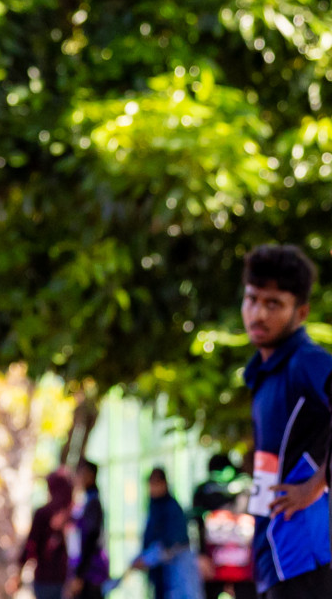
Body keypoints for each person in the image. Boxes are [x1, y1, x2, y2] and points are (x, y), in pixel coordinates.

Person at [240, 244, 332, 599]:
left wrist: (315, 486)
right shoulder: (264, 372)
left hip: (306, 557)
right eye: (252, 299)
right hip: (272, 556)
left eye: (273, 303)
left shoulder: (306, 361)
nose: (258, 313)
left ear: (301, 311)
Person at [193, 454, 255, 598]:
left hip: (245, 570)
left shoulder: (247, 490)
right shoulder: (203, 492)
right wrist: (201, 555)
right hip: (215, 568)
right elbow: (197, 524)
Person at [134, 467, 202, 599]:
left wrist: (148, 558)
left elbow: (174, 543)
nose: (153, 488)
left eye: (156, 483)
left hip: (175, 575)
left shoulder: (172, 508)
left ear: (164, 483)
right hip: (159, 575)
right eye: (151, 484)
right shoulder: (154, 507)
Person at [19, 469, 75, 599]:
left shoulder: (44, 513)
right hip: (66, 580)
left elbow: (31, 544)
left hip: (47, 580)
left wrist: (19, 569)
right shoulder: (75, 514)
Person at [68, 459, 109, 599]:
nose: (78, 477)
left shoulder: (92, 503)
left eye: (81, 473)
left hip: (91, 573)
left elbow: (91, 538)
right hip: (86, 571)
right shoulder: (85, 500)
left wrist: (79, 574)